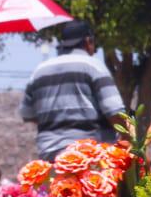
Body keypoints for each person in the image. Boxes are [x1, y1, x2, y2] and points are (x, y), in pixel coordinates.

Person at [20, 20, 125, 161]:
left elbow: (27, 114)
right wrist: (131, 139)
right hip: (90, 155)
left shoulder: (39, 71)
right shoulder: (93, 66)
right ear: (88, 41)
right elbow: (115, 111)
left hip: (50, 155)